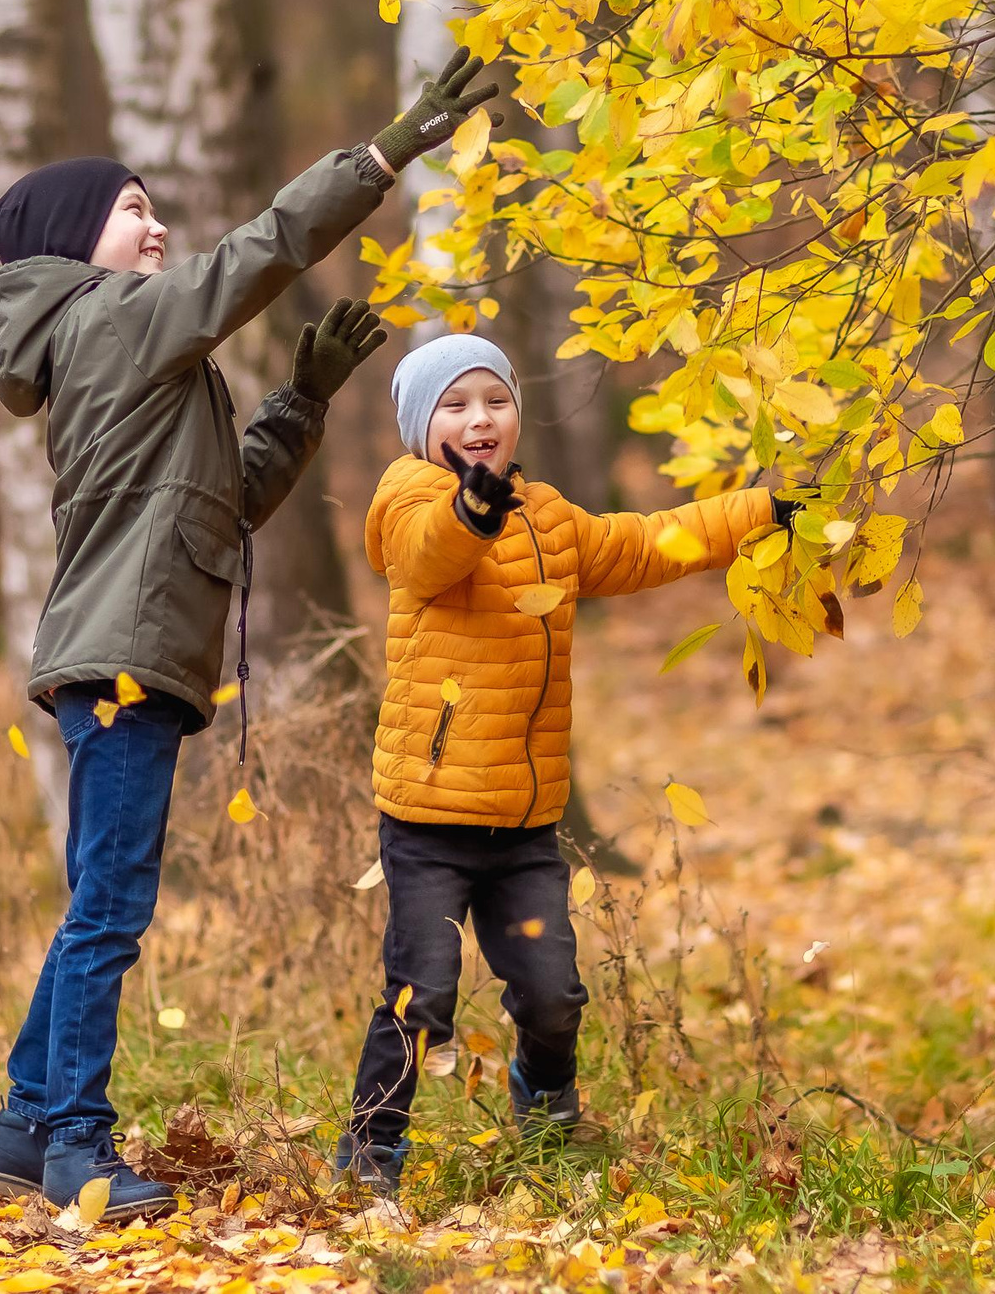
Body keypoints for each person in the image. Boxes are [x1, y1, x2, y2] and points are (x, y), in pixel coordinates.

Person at [0, 49, 499, 1222]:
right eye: (133, 213)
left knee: (96, 895)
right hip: (120, 656)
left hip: (127, 651)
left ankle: (20, 1125)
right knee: (110, 904)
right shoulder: (111, 324)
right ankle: (74, 1148)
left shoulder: (117, 347)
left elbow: (230, 497)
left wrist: (301, 402)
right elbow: (257, 253)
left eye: (157, 213)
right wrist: (385, 154)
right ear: (71, 241)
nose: (157, 232)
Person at [332, 334, 788, 1199]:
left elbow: (651, 542)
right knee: (422, 992)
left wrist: (763, 512)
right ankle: (369, 1152)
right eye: (456, 405)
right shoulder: (408, 498)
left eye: (494, 400)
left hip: (525, 823)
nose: (479, 419)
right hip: (429, 820)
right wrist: (472, 510)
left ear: (516, 412)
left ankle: (544, 1115)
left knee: (553, 991)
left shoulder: (546, 514)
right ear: (422, 425)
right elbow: (431, 553)